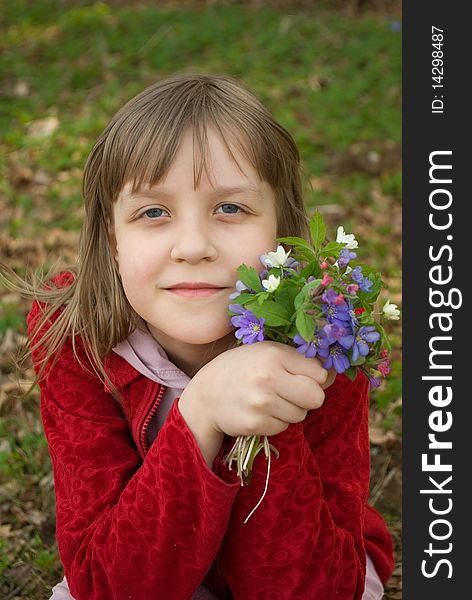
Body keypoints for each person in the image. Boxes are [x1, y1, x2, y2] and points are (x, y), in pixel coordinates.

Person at [10, 73, 394, 599]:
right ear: (111, 239)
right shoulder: (76, 338)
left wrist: (266, 402)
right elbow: (109, 587)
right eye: (153, 212)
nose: (192, 247)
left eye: (230, 208)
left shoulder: (326, 336)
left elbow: (310, 587)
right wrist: (203, 412)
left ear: (283, 230)